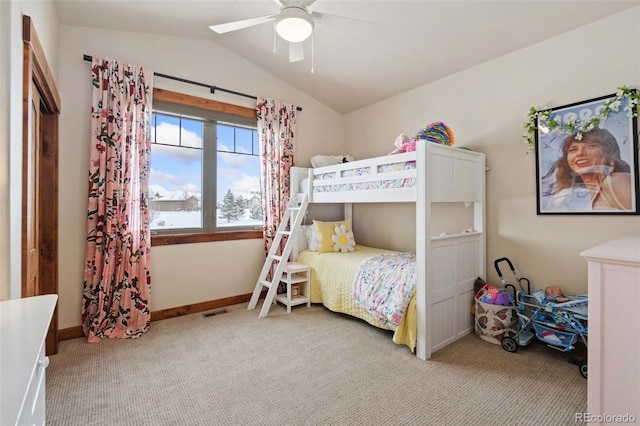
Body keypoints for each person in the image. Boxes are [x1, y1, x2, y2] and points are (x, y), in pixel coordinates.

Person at [543, 128, 633, 211]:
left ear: (607, 152)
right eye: (573, 149)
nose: (580, 153)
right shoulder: (575, 192)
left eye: (591, 146)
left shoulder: (617, 180)